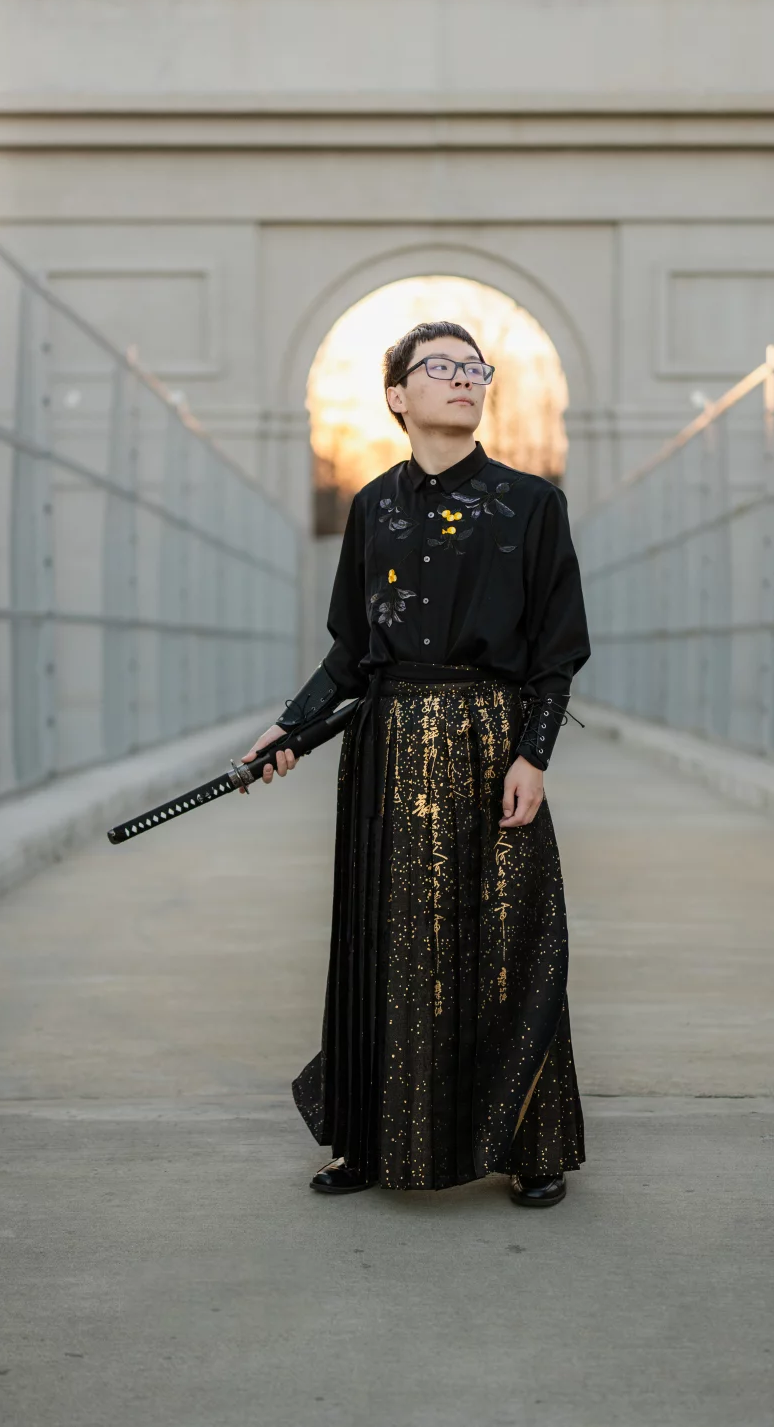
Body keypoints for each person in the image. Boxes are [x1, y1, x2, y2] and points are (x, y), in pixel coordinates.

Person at [242, 320, 591, 1207]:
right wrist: (287, 728)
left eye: (475, 367)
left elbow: (557, 652)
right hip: (388, 750)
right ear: (398, 394)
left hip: (489, 743)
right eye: (441, 366)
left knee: (509, 941)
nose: (464, 378)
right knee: (385, 944)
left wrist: (533, 755)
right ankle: (368, 1140)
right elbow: (350, 654)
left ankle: (530, 1143)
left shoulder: (532, 503)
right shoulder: (372, 507)